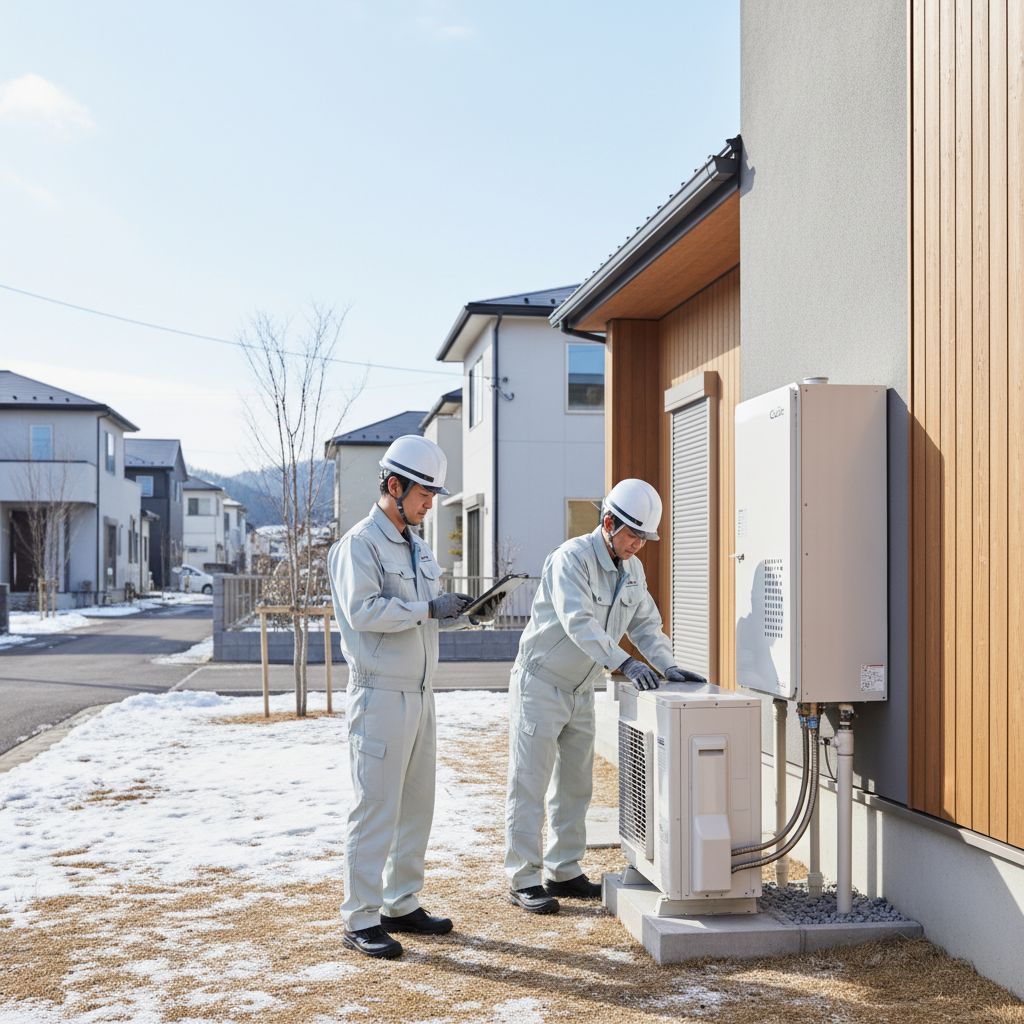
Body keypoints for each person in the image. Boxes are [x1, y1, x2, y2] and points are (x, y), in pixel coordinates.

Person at [504, 478, 706, 914]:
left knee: (575, 785)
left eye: (644, 538)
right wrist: (624, 663)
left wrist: (665, 664)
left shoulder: (632, 569)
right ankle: (523, 878)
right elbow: (579, 623)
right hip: (540, 683)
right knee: (530, 783)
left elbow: (646, 624)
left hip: (580, 688)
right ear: (609, 523)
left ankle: (563, 869)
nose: (638, 545)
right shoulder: (570, 560)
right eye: (633, 535)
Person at [328, 434, 472, 959]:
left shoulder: (417, 544)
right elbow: (365, 611)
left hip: (420, 693)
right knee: (375, 808)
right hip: (380, 696)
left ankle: (399, 902)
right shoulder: (359, 545)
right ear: (394, 486)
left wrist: (460, 611)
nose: (430, 504)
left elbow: (422, 614)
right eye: (424, 495)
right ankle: (360, 918)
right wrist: (430, 609)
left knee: (416, 806)